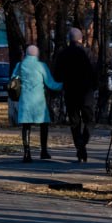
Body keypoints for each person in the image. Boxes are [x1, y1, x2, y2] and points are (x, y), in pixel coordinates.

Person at [53, 27, 98, 163]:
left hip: (70, 92)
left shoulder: (63, 54)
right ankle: (83, 144)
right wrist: (94, 86)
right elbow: (94, 71)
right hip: (86, 93)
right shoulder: (87, 53)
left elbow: (57, 74)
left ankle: (80, 147)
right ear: (80, 39)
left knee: (74, 122)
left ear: (69, 40)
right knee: (89, 120)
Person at [12, 44, 62, 162]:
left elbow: (13, 79)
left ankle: (27, 153)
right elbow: (51, 84)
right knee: (44, 124)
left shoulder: (20, 65)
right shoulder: (41, 66)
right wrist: (63, 85)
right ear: (37, 54)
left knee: (26, 126)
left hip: (25, 100)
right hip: (39, 101)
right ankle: (43, 151)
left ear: (27, 53)